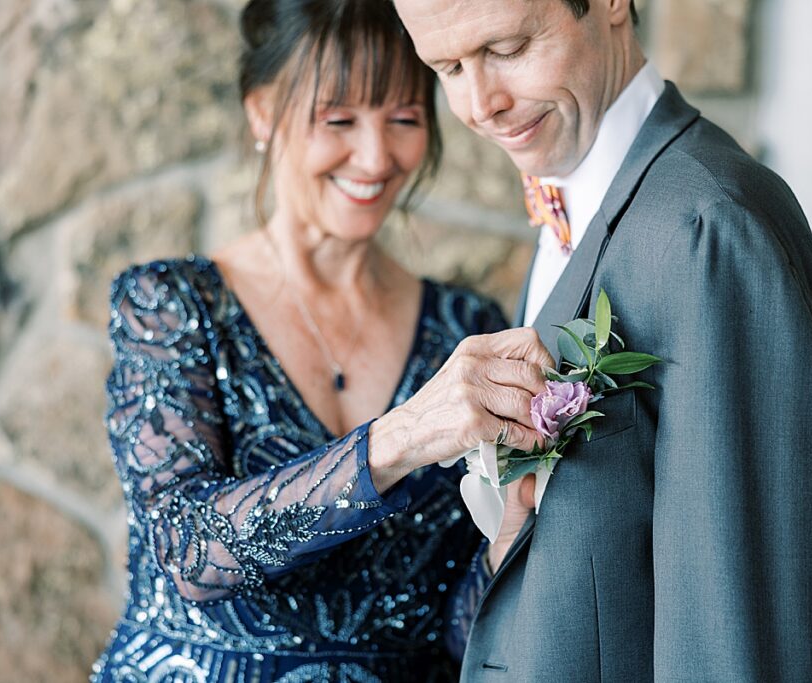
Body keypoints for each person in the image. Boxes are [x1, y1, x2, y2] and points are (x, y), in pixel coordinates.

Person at [393, 0, 812, 680]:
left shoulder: (708, 229)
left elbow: (740, 637)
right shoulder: (574, 204)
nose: (481, 104)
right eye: (449, 67)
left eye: (507, 48)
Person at [90, 1, 552, 681]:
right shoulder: (172, 304)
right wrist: (400, 436)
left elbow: (456, 633)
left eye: (403, 119)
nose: (375, 156)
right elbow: (188, 547)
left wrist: (506, 547)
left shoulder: (464, 326)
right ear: (261, 113)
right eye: (338, 119)